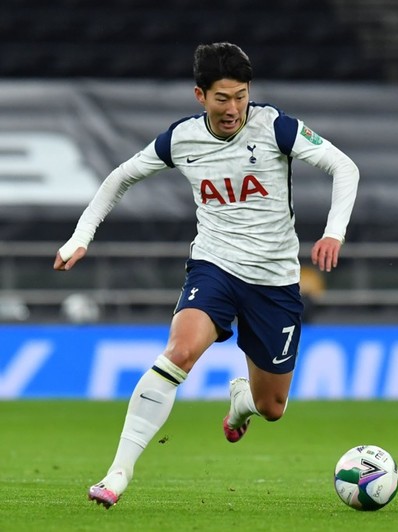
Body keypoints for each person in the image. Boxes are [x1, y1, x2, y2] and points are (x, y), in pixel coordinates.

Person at [53, 42, 360, 508]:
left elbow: (344, 166)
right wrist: (81, 236)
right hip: (214, 266)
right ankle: (117, 473)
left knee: (272, 407)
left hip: (275, 281)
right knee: (179, 351)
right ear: (200, 95)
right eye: (222, 98)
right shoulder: (182, 139)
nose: (233, 108)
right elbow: (120, 177)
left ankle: (241, 401)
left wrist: (333, 232)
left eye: (241, 95)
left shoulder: (275, 126)